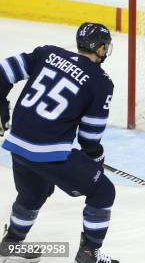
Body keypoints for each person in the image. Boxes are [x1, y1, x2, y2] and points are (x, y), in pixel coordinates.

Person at [0, 23, 118, 262]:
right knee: (103, 191)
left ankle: (11, 243)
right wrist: (96, 158)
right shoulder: (101, 82)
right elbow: (90, 137)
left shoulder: (48, 53)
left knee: (34, 193)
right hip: (48, 152)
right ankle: (89, 254)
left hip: (17, 143)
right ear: (101, 47)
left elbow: (3, 70)